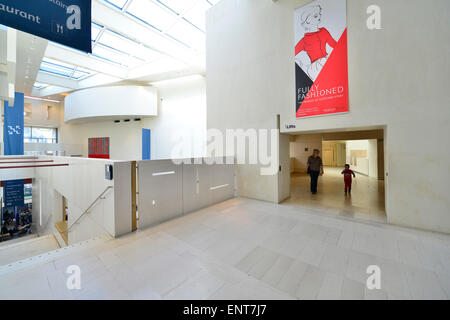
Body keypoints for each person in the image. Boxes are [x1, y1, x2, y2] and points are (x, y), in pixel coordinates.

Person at [295, 5, 337, 81]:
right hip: (315, 67)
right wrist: (299, 63)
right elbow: (292, 53)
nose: (319, 17)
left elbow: (334, 44)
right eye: (315, 16)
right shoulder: (304, 40)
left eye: (319, 14)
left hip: (326, 61)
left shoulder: (324, 31)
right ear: (308, 20)